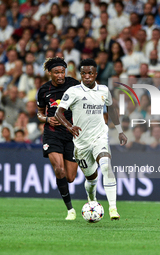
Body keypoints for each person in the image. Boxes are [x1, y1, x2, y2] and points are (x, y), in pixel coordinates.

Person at [55, 58, 127, 220]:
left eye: (90, 73)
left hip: (100, 137)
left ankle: (113, 209)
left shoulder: (103, 90)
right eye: (84, 73)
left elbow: (112, 109)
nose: (87, 76)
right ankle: (92, 200)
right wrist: (69, 126)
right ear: (81, 74)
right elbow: (58, 113)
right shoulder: (73, 92)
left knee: (106, 166)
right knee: (92, 179)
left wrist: (120, 130)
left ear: (95, 74)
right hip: (81, 143)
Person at [36, 57, 80, 220]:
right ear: (50, 73)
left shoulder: (74, 84)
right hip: (52, 133)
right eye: (56, 72)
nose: (60, 75)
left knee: (70, 177)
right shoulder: (44, 90)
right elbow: (40, 112)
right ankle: (70, 210)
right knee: (59, 169)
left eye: (62, 71)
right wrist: (47, 119)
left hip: (71, 134)